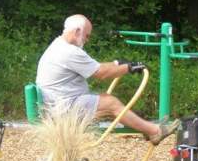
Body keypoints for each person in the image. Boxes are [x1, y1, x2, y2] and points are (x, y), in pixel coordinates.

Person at [36, 14, 180, 145]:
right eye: (87, 35)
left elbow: (97, 66)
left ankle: (143, 125)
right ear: (77, 31)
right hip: (63, 108)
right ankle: (155, 132)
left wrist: (118, 63)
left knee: (106, 100)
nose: (87, 40)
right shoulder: (69, 52)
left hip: (60, 104)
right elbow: (101, 73)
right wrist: (130, 67)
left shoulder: (60, 45)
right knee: (110, 104)